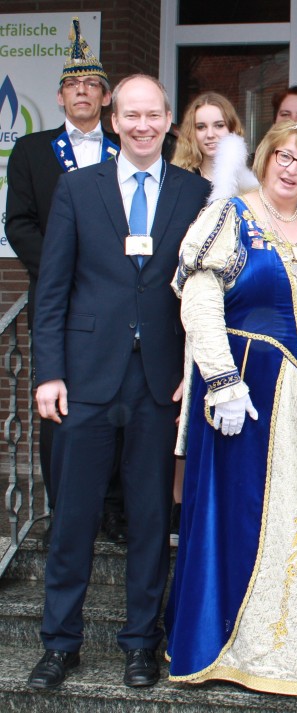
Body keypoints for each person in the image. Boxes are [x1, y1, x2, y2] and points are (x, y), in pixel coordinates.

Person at [27, 74, 208, 691]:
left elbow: (209, 297)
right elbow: (51, 292)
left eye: (152, 115)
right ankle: (59, 643)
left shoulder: (197, 192)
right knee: (73, 517)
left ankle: (139, 643)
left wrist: (198, 371)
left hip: (161, 386)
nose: (140, 125)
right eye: (129, 115)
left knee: (153, 520)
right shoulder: (78, 189)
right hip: (84, 381)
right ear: (113, 119)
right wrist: (48, 372)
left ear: (167, 122)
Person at [164, 122, 297, 694]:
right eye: (283, 157)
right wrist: (220, 380)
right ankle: (235, 649)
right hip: (249, 396)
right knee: (243, 518)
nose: (292, 169)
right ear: (265, 159)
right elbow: (198, 297)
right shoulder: (230, 216)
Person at [5, 17, 127, 543]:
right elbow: (19, 225)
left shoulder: (131, 150)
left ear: (104, 98)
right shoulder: (32, 151)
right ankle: (63, 510)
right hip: (61, 302)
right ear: (59, 98)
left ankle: (115, 510)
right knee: (59, 405)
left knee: (122, 403)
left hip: (121, 305)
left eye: (92, 85)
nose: (83, 92)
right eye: (73, 86)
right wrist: (65, 268)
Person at [171, 92, 244, 181]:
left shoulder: (247, 182)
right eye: (201, 127)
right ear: (191, 133)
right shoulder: (179, 180)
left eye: (219, 125)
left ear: (232, 129)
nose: (210, 135)